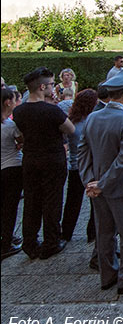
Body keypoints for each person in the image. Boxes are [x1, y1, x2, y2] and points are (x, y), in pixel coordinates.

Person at [78, 67, 123, 294]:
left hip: (97, 188)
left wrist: (90, 181)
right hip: (121, 187)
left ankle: (107, 275)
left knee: (105, 233)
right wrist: (102, 183)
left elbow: (82, 153)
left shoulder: (92, 117)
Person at [13, 67, 75, 260]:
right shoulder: (52, 110)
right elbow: (70, 129)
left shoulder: (20, 111)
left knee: (32, 200)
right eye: (50, 84)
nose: (53, 88)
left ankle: (30, 243)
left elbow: (21, 134)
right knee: (52, 200)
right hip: (53, 158)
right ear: (42, 87)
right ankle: (51, 241)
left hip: (31, 158)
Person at [61, 89, 98, 243]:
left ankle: (66, 232)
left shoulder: (72, 121)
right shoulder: (92, 121)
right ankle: (92, 232)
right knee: (94, 203)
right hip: (90, 166)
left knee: (72, 202)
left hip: (75, 166)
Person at [1, 87, 24, 259]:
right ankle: (6, 242)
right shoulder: (10, 126)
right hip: (11, 167)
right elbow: (22, 140)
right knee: (10, 208)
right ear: (8, 102)